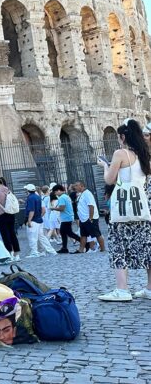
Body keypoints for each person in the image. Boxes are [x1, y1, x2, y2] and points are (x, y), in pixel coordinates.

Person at [97, 120, 151, 302]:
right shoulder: (144, 155)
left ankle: (122, 289)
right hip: (142, 208)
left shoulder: (121, 153)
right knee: (146, 248)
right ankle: (150, 288)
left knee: (119, 246)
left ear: (122, 137)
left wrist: (105, 166)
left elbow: (110, 180)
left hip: (123, 210)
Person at [23, 184, 57, 258]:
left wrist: (29, 220)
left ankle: (34, 252)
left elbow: (32, 210)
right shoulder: (38, 197)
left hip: (33, 220)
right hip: (39, 220)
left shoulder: (30, 198)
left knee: (32, 237)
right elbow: (42, 209)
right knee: (42, 237)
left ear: (27, 190)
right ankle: (51, 250)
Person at [72, 181, 106, 254]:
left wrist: (90, 218)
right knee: (83, 235)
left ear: (82, 186)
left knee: (97, 234)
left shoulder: (87, 193)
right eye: (75, 186)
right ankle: (81, 250)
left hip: (90, 218)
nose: (75, 187)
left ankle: (103, 249)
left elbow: (91, 206)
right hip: (83, 219)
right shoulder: (82, 194)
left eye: (76, 185)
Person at [51, 184, 79, 253]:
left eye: (55, 192)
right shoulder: (66, 196)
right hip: (67, 217)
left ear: (58, 190)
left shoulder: (62, 198)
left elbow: (62, 208)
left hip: (66, 217)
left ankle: (83, 242)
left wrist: (53, 208)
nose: (55, 194)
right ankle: (64, 248)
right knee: (63, 232)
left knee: (69, 233)